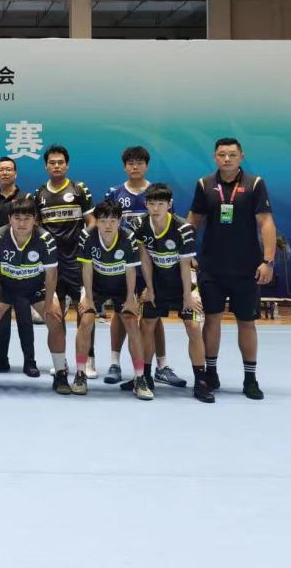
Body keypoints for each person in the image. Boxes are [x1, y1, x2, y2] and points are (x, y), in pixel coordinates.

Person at [187, 138, 275, 400]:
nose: (227, 159)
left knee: (246, 322)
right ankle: (210, 373)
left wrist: (268, 261)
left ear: (241, 157)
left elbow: (266, 223)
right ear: (214, 157)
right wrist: (187, 257)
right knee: (211, 319)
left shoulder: (255, 184)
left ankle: (250, 379)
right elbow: (192, 223)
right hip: (212, 268)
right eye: (222, 154)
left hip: (247, 268)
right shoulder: (204, 184)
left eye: (232, 154)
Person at [103, 146, 184, 388]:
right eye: (130, 163)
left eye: (139, 162)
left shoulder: (157, 193)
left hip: (153, 267)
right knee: (121, 314)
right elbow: (106, 227)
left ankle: (161, 367)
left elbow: (172, 229)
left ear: (147, 166)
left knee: (154, 317)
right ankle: (115, 363)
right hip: (123, 265)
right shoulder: (114, 193)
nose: (135, 166)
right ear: (124, 167)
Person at [134, 183, 214, 403]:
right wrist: (149, 288)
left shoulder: (183, 228)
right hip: (157, 283)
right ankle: (145, 378)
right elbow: (145, 259)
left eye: (160, 204)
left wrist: (188, 296)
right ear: (146, 204)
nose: (156, 208)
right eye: (151, 203)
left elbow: (186, 265)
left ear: (169, 205)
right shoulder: (140, 225)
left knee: (193, 326)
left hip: (183, 284)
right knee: (146, 325)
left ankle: (201, 381)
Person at [0, 198, 59, 392]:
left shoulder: (45, 239)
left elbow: (51, 274)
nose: (22, 223)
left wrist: (49, 303)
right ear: (9, 219)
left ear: (35, 219)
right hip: (6, 286)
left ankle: (61, 373)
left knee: (55, 319)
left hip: (35, 286)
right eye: (17, 218)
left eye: (27, 218)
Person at [75, 200, 151, 399]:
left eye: (112, 220)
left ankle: (139, 378)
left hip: (122, 287)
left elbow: (131, 270)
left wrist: (130, 299)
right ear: (96, 221)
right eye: (102, 221)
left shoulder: (128, 237)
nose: (107, 225)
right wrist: (88, 298)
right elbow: (87, 268)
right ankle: (80, 374)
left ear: (119, 221)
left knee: (131, 322)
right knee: (86, 321)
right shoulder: (87, 236)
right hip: (96, 285)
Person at [35, 145, 96, 377]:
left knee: (84, 311)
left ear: (67, 165)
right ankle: (61, 361)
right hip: (53, 264)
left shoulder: (79, 190)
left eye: (60, 162)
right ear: (46, 166)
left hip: (77, 261)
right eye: (52, 162)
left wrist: (83, 239)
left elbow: (92, 221)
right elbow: (37, 227)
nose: (57, 166)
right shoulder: (40, 194)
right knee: (55, 312)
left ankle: (87, 360)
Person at [0, 156, 39, 374]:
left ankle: (30, 361)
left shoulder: (27, 198)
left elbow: (35, 229)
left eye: (9, 169)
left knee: (24, 315)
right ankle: (1, 357)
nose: (5, 173)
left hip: (25, 266)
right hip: (1, 263)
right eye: (1, 170)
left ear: (15, 173)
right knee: (0, 315)